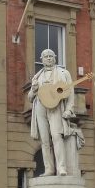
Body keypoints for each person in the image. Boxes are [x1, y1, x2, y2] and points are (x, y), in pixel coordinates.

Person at [28, 48, 75, 177]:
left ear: (55, 58)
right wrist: (33, 88)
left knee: (56, 136)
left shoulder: (64, 73)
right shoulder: (37, 76)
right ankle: (49, 169)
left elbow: (70, 93)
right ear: (41, 60)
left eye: (50, 56)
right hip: (40, 107)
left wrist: (69, 109)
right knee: (44, 140)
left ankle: (61, 168)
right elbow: (30, 97)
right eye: (45, 56)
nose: (48, 58)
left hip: (56, 107)